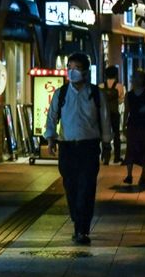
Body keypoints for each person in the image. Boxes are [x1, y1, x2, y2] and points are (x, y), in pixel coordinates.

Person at [42, 52, 110, 245]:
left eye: (76, 68)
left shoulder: (96, 94)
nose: (72, 72)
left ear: (86, 72)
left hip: (89, 147)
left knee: (87, 188)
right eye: (69, 68)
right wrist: (51, 139)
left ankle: (82, 228)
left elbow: (105, 120)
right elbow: (52, 117)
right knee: (70, 186)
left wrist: (107, 144)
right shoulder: (61, 94)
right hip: (68, 148)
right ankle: (76, 219)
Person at [100, 65, 124, 164]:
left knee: (105, 135)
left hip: (104, 114)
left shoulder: (101, 86)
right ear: (116, 74)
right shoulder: (119, 86)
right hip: (114, 113)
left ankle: (106, 157)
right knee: (116, 134)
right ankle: (117, 157)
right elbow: (120, 100)